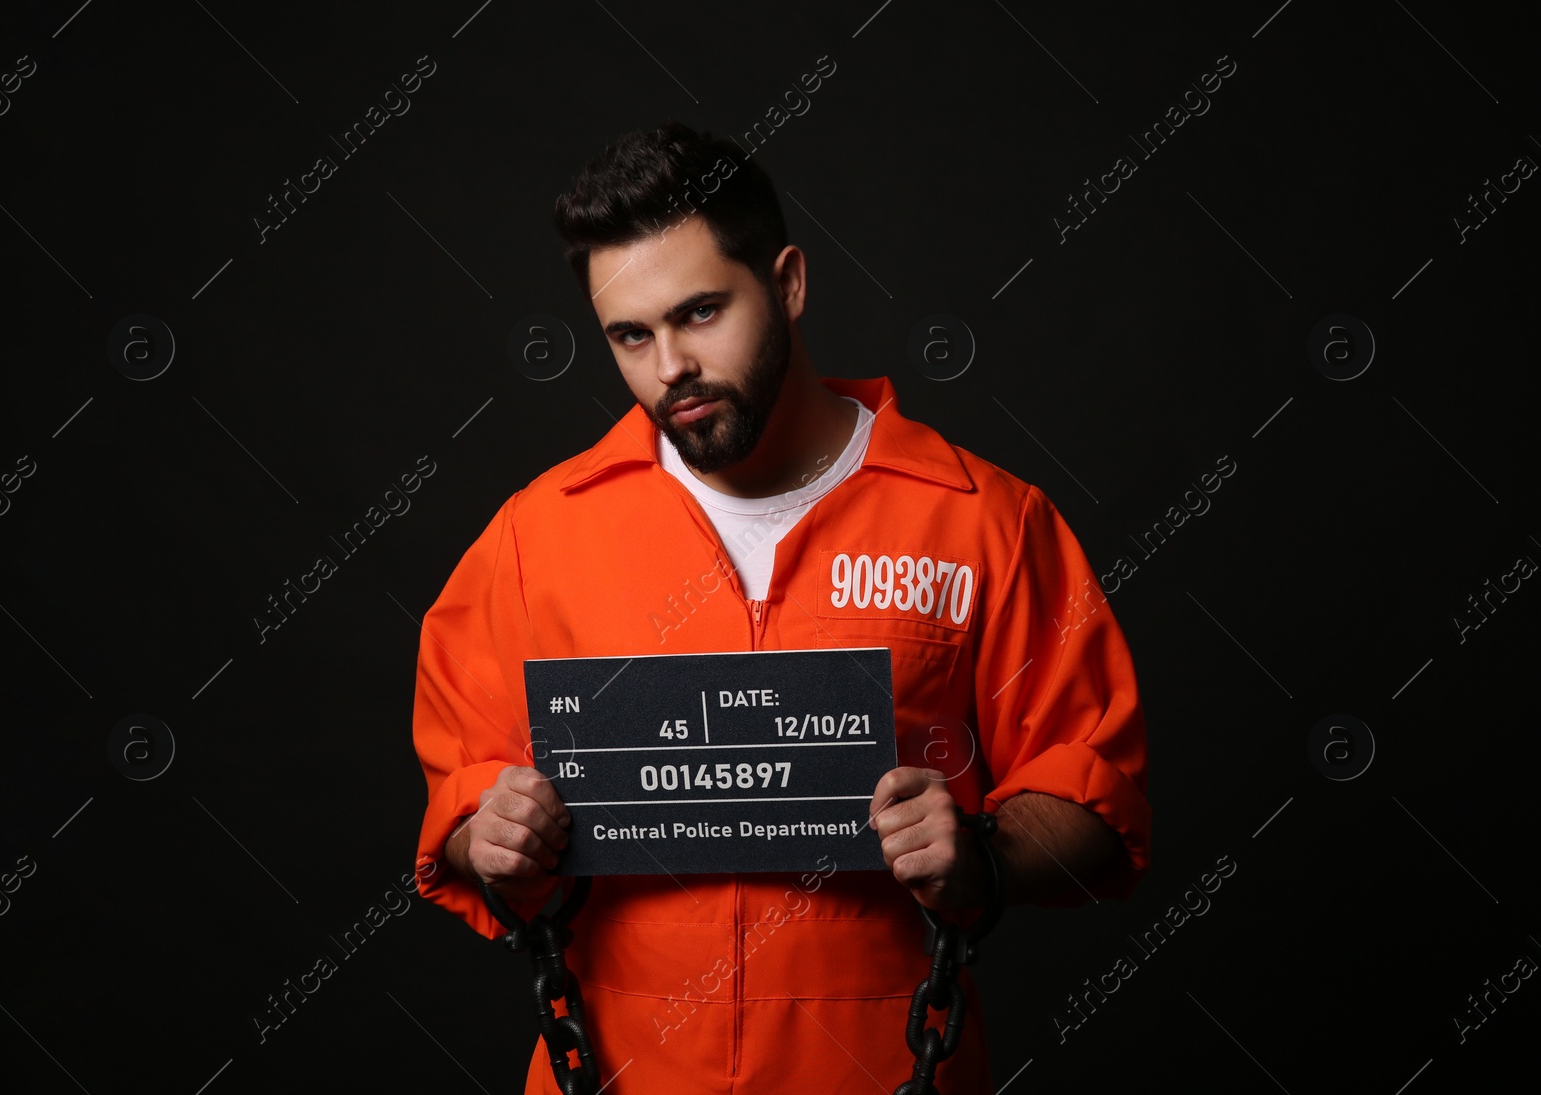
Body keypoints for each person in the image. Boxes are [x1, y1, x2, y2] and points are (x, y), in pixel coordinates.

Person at [412, 122, 1150, 1094]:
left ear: (789, 283)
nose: (668, 364)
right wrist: (489, 833)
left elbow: (1092, 793)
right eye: (630, 335)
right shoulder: (530, 540)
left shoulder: (988, 524)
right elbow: (459, 808)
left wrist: (980, 851)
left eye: (700, 312)